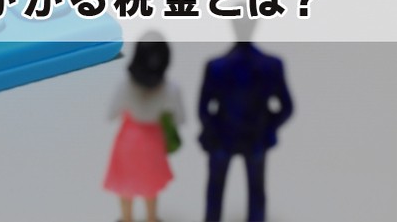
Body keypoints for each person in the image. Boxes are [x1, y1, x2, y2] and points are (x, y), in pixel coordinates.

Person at [199, 13, 293, 222]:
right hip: (252, 138)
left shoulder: (217, 66)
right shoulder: (270, 65)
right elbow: (286, 107)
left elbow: (203, 110)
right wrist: (267, 126)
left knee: (218, 190)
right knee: (254, 190)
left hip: (226, 137)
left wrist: (213, 128)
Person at [104, 32, 185, 222]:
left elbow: (111, 114)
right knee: (151, 184)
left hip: (128, 140)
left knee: (125, 184)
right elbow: (180, 118)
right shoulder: (170, 89)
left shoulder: (125, 86)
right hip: (153, 140)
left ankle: (126, 218)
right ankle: (151, 218)